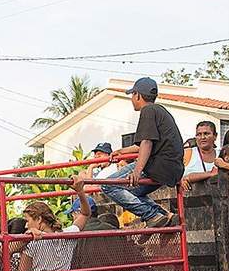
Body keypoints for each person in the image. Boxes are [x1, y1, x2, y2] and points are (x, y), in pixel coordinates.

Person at [78, 77, 182, 228]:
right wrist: (122, 151)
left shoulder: (148, 110)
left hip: (158, 165)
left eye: (132, 95)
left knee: (109, 186)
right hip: (171, 169)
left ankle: (152, 215)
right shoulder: (160, 111)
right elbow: (144, 144)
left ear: (138, 95)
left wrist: (138, 170)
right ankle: (164, 215)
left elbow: (147, 142)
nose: (132, 99)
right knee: (132, 193)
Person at [180, 120, 218, 192]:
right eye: (199, 134)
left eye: (206, 134)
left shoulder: (222, 155)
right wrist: (180, 181)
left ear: (215, 136)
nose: (202, 137)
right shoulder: (187, 153)